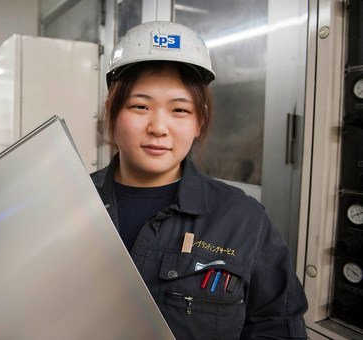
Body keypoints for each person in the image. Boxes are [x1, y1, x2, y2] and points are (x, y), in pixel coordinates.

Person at [91, 21, 308, 339]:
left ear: (199, 122)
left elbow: (278, 326)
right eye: (140, 106)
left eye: (179, 110)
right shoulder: (72, 201)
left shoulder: (242, 219)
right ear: (112, 113)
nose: (158, 127)